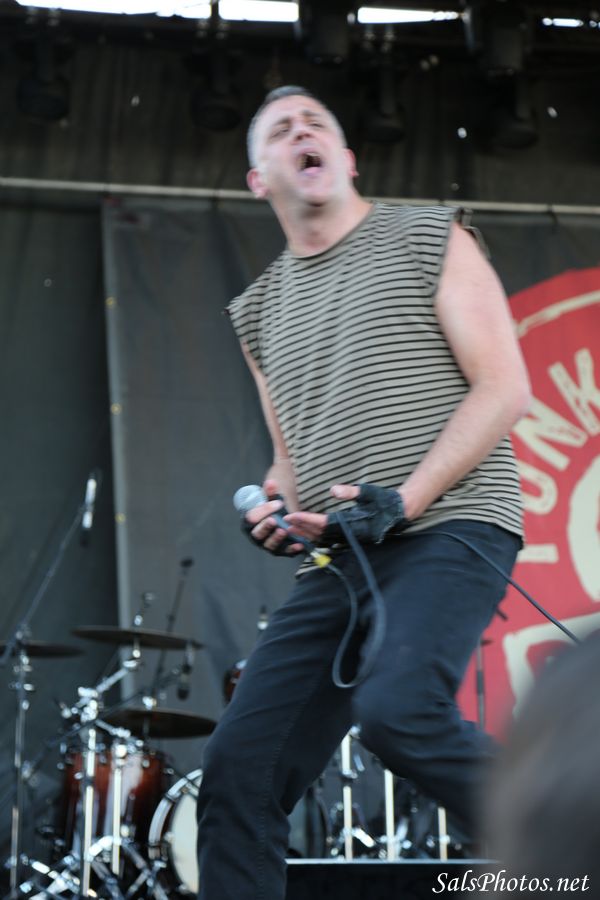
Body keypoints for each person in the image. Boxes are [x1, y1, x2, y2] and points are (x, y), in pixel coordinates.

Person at [195, 85, 531, 900]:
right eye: (282, 130)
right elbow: (289, 458)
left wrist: (405, 499)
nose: (302, 132)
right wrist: (274, 508)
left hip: (452, 524)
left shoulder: (428, 233)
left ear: (347, 159)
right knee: (238, 767)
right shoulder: (258, 309)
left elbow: (504, 389)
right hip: (344, 556)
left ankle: (569, 834)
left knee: (398, 711)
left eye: (317, 124)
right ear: (258, 178)